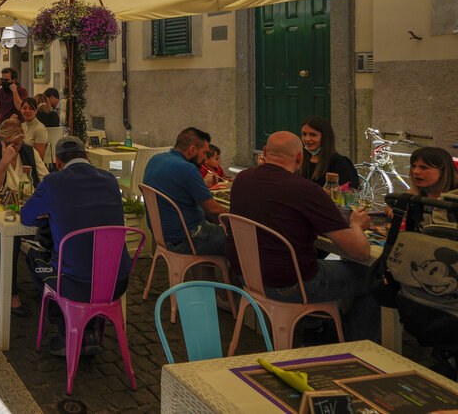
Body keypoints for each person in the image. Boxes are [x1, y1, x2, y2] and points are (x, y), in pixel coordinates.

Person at [227, 131, 379, 342]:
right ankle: (359, 345)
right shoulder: (306, 190)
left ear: (265, 152)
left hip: (248, 277)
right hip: (289, 285)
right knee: (373, 276)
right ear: (300, 157)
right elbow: (360, 251)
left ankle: (315, 323)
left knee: (314, 260)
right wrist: (356, 225)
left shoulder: (242, 180)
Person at [21, 135, 132, 356]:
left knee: (35, 260)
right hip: (116, 281)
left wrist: (51, 215)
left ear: (58, 163)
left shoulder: (53, 182)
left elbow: (26, 217)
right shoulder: (110, 180)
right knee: (81, 262)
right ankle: (89, 330)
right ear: (87, 157)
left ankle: (66, 331)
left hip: (73, 284)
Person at [0, 118, 48, 315]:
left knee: (52, 231)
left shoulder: (29, 152)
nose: (15, 148)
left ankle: (48, 284)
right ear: (1, 141)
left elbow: (45, 179)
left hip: (26, 207)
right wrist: (3, 162)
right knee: (11, 240)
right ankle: (11, 293)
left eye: (18, 144)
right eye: (10, 144)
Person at [141, 127, 227, 255]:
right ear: (192, 150)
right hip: (187, 238)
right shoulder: (188, 169)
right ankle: (237, 275)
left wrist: (202, 185)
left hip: (162, 236)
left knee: (213, 224)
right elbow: (213, 210)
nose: (205, 158)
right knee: (244, 239)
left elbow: (177, 188)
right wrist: (237, 221)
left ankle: (208, 274)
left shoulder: (156, 159)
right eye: (204, 153)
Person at [396, 146, 458, 229]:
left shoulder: (454, 197)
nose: (415, 171)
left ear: (443, 171)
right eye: (414, 166)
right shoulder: (417, 193)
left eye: (423, 167)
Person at [300, 116, 359, 190]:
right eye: (304, 134)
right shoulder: (300, 158)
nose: (307, 139)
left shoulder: (339, 161)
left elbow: (350, 188)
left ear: (325, 137)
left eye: (313, 135)